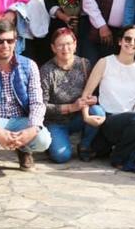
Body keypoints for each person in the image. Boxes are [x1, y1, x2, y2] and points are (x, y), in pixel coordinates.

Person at [76, 24, 135, 175]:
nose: (132, 43)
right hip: (109, 119)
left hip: (133, 121)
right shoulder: (105, 62)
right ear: (120, 41)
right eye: (128, 39)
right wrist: (86, 116)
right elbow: (86, 94)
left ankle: (124, 147)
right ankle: (119, 157)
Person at [0, 17, 52, 171]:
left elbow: (37, 102)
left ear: (16, 42)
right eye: (0, 41)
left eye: (10, 41)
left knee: (43, 140)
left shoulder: (30, 65)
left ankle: (24, 150)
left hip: (21, 119)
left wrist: (32, 129)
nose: (5, 45)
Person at [40, 28, 95, 163]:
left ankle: (85, 146)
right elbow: (41, 106)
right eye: (60, 45)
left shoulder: (84, 64)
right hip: (55, 121)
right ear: (53, 48)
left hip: (79, 117)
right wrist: (71, 107)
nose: (65, 48)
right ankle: (52, 142)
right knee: (61, 156)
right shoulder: (46, 71)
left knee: (98, 111)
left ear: (75, 45)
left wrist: (93, 99)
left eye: (69, 44)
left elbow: (93, 91)